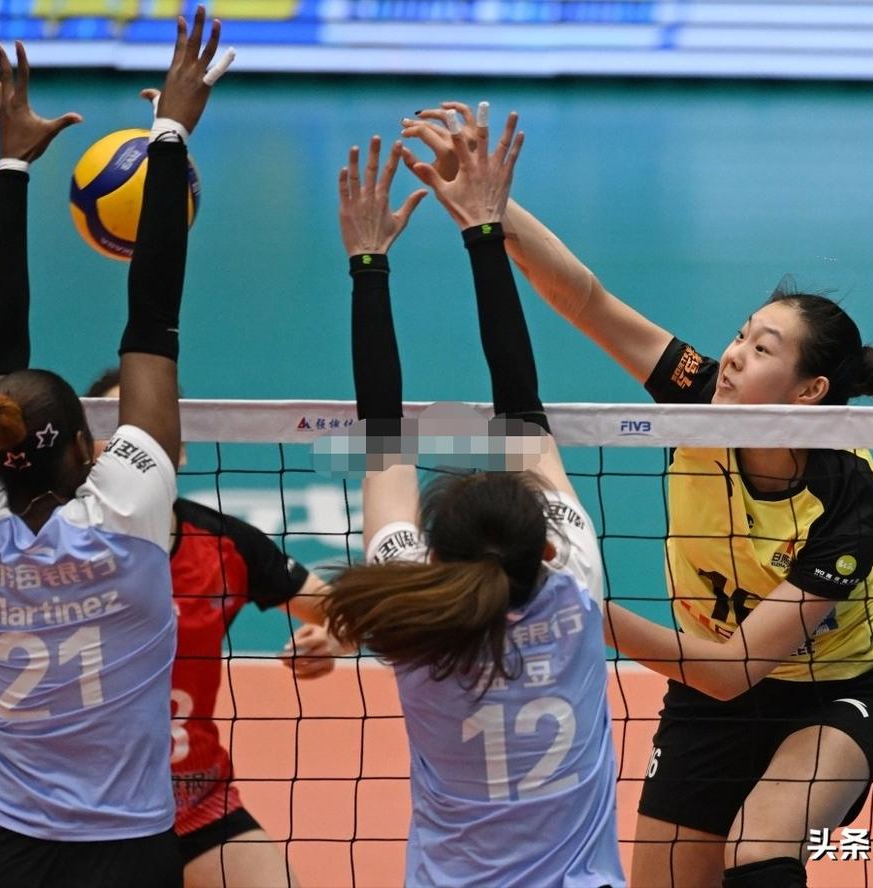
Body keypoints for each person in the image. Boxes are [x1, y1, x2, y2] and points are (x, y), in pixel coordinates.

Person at [401, 103, 873, 888]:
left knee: (759, 847)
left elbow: (735, 669)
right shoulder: (697, 397)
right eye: (741, 334)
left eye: (762, 349)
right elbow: (586, 299)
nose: (733, 356)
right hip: (704, 692)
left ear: (809, 391)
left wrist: (571, 602)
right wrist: (492, 209)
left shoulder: (851, 497)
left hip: (833, 693)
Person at [0, 11, 225, 885]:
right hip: (126, 854)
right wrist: (168, 135)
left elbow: (2, 347)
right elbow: (152, 321)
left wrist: (13, 165)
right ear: (89, 451)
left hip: (5, 852)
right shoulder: (125, 523)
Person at [321, 116, 625, 887]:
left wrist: (368, 262)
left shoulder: (407, 623)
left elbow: (382, 437)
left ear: (431, 553)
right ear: (547, 548)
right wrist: (484, 231)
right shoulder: (576, 590)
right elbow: (523, 413)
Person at [83, 369, 337, 888]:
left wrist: (335, 638)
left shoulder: (225, 546)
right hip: (83, 816)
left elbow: (339, 611)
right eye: (115, 428)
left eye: (149, 428)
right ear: (85, 451)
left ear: (178, 451)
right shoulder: (50, 550)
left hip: (195, 804)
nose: (132, 444)